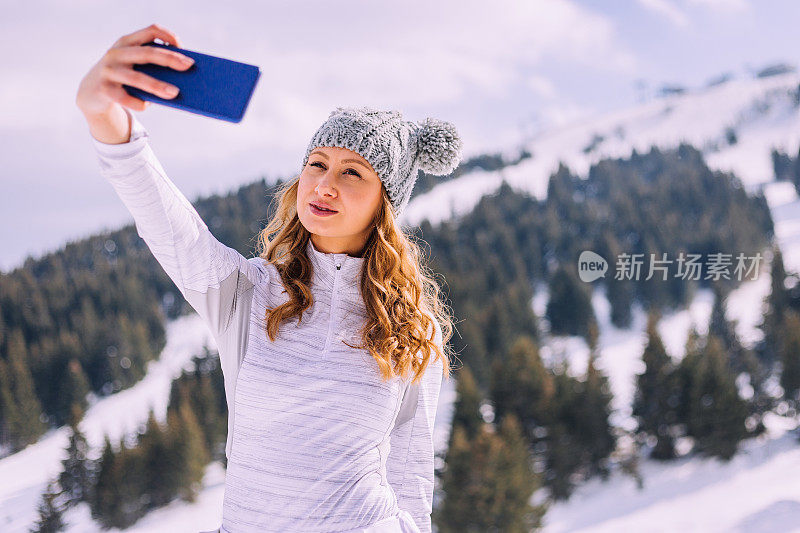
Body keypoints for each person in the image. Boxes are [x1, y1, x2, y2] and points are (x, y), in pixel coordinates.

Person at [76, 24, 462, 533]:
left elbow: (411, 478)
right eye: (316, 164)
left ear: (384, 205)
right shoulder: (249, 293)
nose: (324, 185)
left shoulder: (412, 328)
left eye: (352, 172)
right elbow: (172, 230)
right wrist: (105, 116)